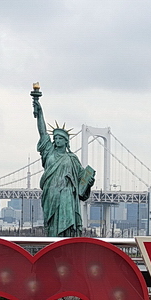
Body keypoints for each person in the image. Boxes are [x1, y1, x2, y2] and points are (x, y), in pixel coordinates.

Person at [33, 92, 95, 237]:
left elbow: (81, 180)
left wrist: (89, 181)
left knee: (68, 231)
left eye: (60, 138)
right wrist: (40, 113)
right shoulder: (49, 152)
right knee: (52, 228)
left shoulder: (72, 158)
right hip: (51, 194)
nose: (57, 140)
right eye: (55, 138)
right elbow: (42, 133)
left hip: (67, 197)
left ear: (66, 141)